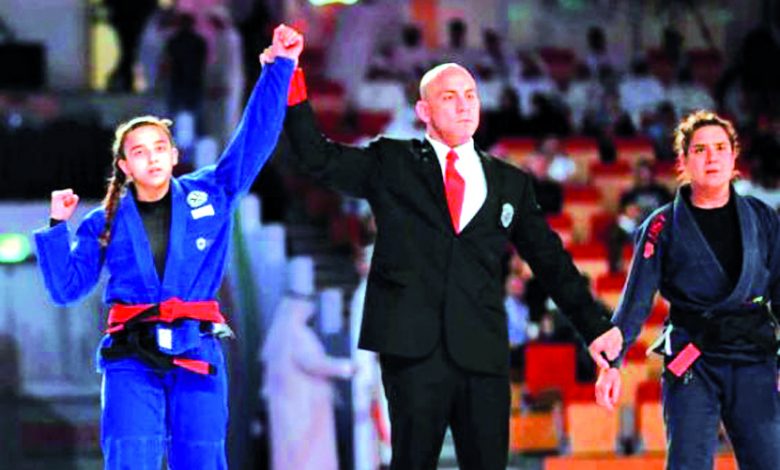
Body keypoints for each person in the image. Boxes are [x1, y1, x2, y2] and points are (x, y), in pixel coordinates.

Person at [266, 45, 623, 469]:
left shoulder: (509, 182)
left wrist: (594, 326)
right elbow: (317, 156)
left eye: (470, 95)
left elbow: (550, 260)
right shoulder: (392, 162)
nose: (464, 105)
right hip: (412, 352)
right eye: (449, 97)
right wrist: (289, 74)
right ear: (424, 110)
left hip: (483, 352)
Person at [32, 25, 302, 470]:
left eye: (160, 147)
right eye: (139, 152)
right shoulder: (104, 221)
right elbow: (66, 289)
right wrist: (58, 227)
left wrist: (280, 68)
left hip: (196, 344)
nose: (152, 156)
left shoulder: (211, 194)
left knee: (201, 457)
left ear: (175, 155)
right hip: (130, 353)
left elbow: (254, 138)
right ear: (125, 166)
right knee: (130, 453)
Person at [596, 111, 780, 469]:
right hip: (693, 356)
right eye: (700, 150)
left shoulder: (763, 218)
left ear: (734, 157)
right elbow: (635, 303)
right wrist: (612, 364)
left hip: (753, 355)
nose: (712, 158)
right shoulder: (661, 226)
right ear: (683, 161)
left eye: (720, 148)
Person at [262, 290, 356, 470]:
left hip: (290, 410)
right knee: (308, 457)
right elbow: (315, 363)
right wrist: (346, 367)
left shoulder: (279, 335)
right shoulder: (297, 334)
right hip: (303, 410)